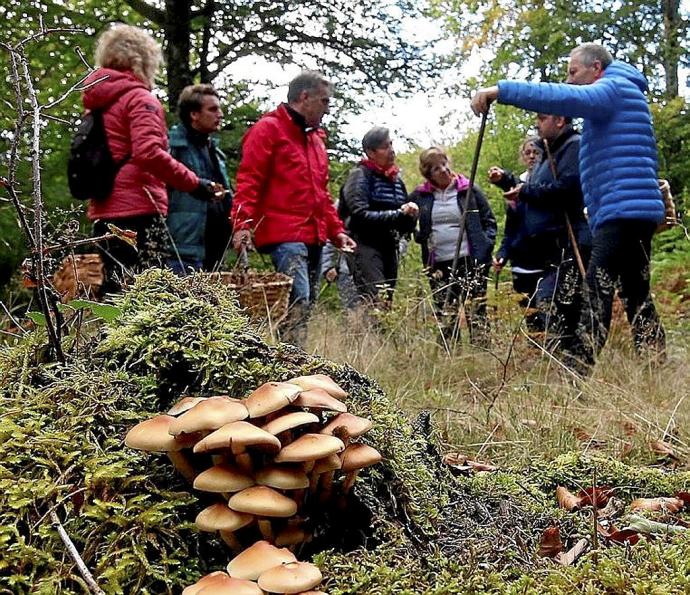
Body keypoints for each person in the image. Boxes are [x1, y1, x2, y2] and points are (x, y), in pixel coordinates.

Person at [471, 43, 666, 372]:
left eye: (573, 72)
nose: (570, 80)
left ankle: (576, 369)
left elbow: (565, 99)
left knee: (597, 288)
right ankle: (655, 363)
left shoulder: (613, 89)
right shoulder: (622, 93)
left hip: (623, 211)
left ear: (596, 69)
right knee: (635, 292)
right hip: (630, 209)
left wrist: (501, 91)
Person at [81, 24, 219, 294]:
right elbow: (149, 153)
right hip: (140, 209)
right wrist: (195, 184)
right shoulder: (140, 99)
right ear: (144, 59)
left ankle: (109, 337)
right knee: (146, 292)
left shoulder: (99, 103)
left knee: (116, 288)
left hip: (104, 208)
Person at [230, 71, 356, 346]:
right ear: (304, 97)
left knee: (306, 301)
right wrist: (241, 225)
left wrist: (336, 232)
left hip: (315, 235)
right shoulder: (268, 129)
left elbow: (321, 195)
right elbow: (249, 180)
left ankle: (292, 360)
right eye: (324, 101)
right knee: (298, 296)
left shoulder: (315, 140)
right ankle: (290, 364)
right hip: (284, 234)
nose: (328, 108)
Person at [498, 115, 591, 348]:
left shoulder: (573, 146)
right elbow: (538, 191)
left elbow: (568, 188)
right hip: (548, 249)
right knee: (550, 306)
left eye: (542, 118)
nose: (537, 124)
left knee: (557, 304)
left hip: (570, 241)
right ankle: (559, 365)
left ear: (559, 120)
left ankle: (574, 365)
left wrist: (525, 192)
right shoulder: (547, 152)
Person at [410, 147, 497, 346]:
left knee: (476, 311)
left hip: (470, 260)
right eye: (435, 168)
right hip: (438, 264)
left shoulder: (468, 190)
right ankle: (450, 356)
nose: (442, 170)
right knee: (446, 311)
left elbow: (489, 220)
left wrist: (486, 245)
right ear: (427, 174)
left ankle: (483, 353)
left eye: (444, 163)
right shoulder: (420, 195)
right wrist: (418, 236)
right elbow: (406, 220)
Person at [340, 126, 418, 308]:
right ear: (371, 152)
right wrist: (398, 214)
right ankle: (371, 336)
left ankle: (382, 336)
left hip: (390, 246)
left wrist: (411, 217)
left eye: (391, 144)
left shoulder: (396, 181)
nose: (391, 150)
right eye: (384, 147)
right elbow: (359, 215)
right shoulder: (360, 176)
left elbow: (403, 222)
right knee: (376, 299)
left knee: (386, 301)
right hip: (365, 245)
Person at [167, 84, 232, 274]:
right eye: (212, 109)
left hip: (215, 248)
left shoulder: (215, 151)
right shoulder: (172, 147)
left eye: (219, 108)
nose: (219, 114)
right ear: (194, 114)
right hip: (183, 247)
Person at [490, 136, 546, 327]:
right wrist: (502, 254)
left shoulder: (548, 184)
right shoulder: (515, 187)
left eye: (536, 152)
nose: (532, 156)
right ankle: (534, 355)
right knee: (530, 319)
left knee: (548, 315)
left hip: (547, 262)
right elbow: (510, 230)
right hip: (521, 263)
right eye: (527, 153)